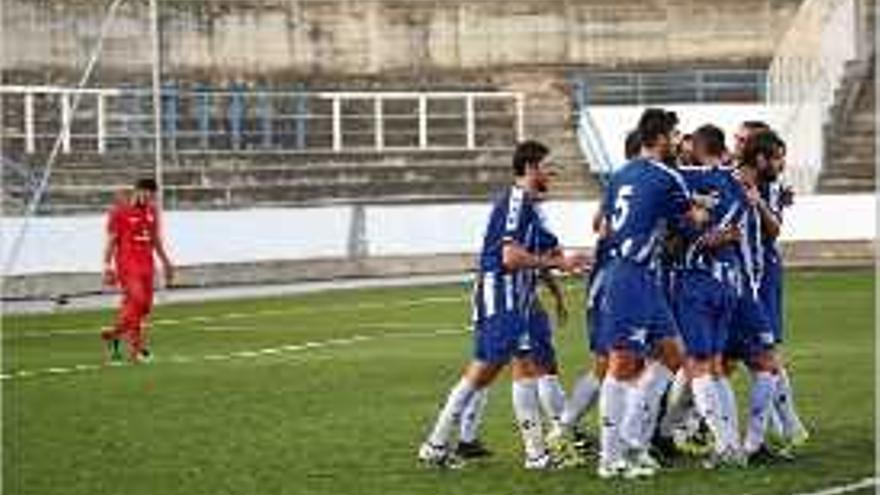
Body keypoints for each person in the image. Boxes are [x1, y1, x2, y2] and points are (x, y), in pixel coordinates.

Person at [417, 140, 585, 469]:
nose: (552, 174)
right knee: (482, 371)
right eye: (547, 167)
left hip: (516, 299)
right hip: (502, 295)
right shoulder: (516, 202)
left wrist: (567, 268)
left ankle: (535, 454)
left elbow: (548, 254)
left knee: (521, 369)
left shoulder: (533, 209)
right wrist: (561, 266)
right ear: (531, 168)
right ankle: (435, 445)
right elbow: (510, 258)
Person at [596, 108, 708, 478]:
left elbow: (605, 224)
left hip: (640, 275)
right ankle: (610, 460)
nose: (679, 142)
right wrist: (702, 214)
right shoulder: (668, 177)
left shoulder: (619, 174)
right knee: (622, 364)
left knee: (672, 356)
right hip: (632, 275)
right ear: (660, 138)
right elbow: (692, 227)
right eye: (675, 135)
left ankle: (634, 442)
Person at [101, 178, 174, 363]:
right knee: (138, 301)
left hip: (147, 266)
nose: (149, 198)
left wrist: (166, 263)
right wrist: (106, 266)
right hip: (127, 266)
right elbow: (111, 241)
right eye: (146, 194)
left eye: (152, 195)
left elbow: (155, 240)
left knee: (143, 307)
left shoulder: (152, 212)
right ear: (137, 191)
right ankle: (138, 349)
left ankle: (115, 335)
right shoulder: (119, 212)